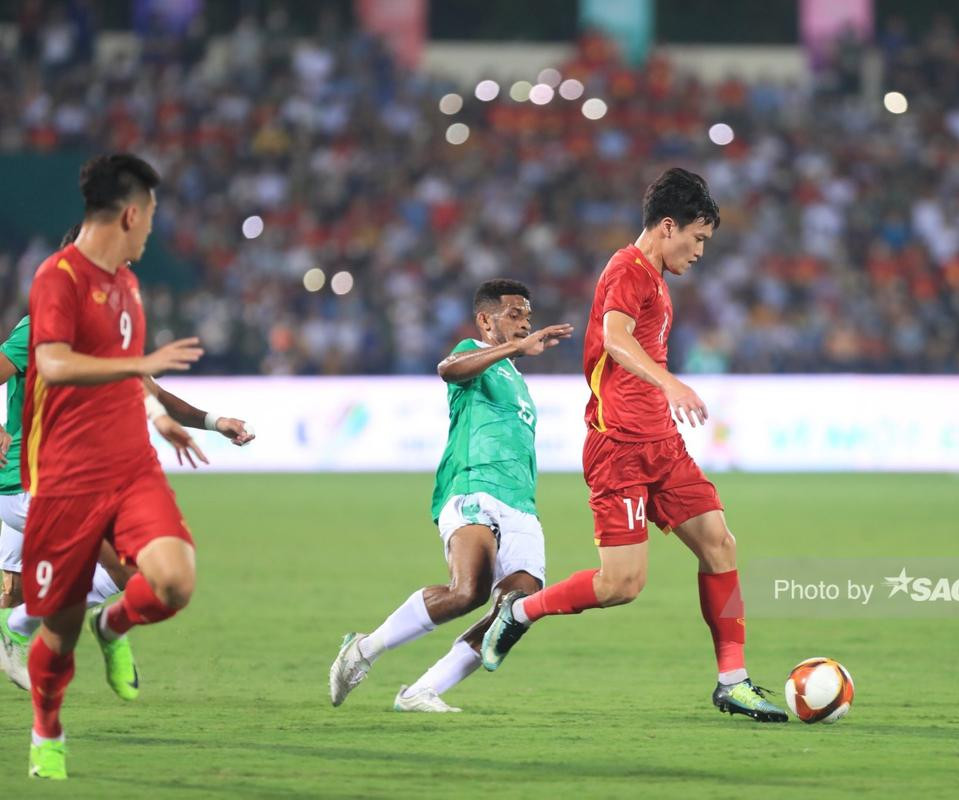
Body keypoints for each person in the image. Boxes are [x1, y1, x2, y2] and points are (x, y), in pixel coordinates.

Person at [479, 168, 789, 723]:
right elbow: (618, 339)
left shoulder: (656, 279)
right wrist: (669, 382)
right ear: (667, 226)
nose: (699, 252)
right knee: (622, 584)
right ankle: (520, 611)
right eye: (696, 238)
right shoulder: (627, 270)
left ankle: (733, 681)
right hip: (618, 446)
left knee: (720, 544)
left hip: (662, 444)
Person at [20, 153, 237, 780]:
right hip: (65, 478)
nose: (151, 232)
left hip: (132, 466)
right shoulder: (57, 276)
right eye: (151, 218)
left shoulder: (128, 283)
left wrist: (157, 412)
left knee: (175, 581)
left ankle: (113, 623)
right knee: (55, 635)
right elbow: (56, 363)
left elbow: (124, 365)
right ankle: (48, 731)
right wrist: (144, 366)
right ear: (131, 213)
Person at [0, 225, 254, 694]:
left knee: (22, 588)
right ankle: (27, 631)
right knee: (128, 567)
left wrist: (216, 421)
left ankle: (32, 622)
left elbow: (150, 393)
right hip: (27, 481)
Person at [329, 279, 572, 712]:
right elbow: (449, 368)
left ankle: (421, 691)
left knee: (515, 612)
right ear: (485, 320)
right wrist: (515, 348)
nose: (524, 323)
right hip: (472, 485)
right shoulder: (473, 352)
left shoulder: (516, 379)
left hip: (520, 502)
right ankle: (364, 650)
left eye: (528, 316)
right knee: (468, 591)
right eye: (514, 314)